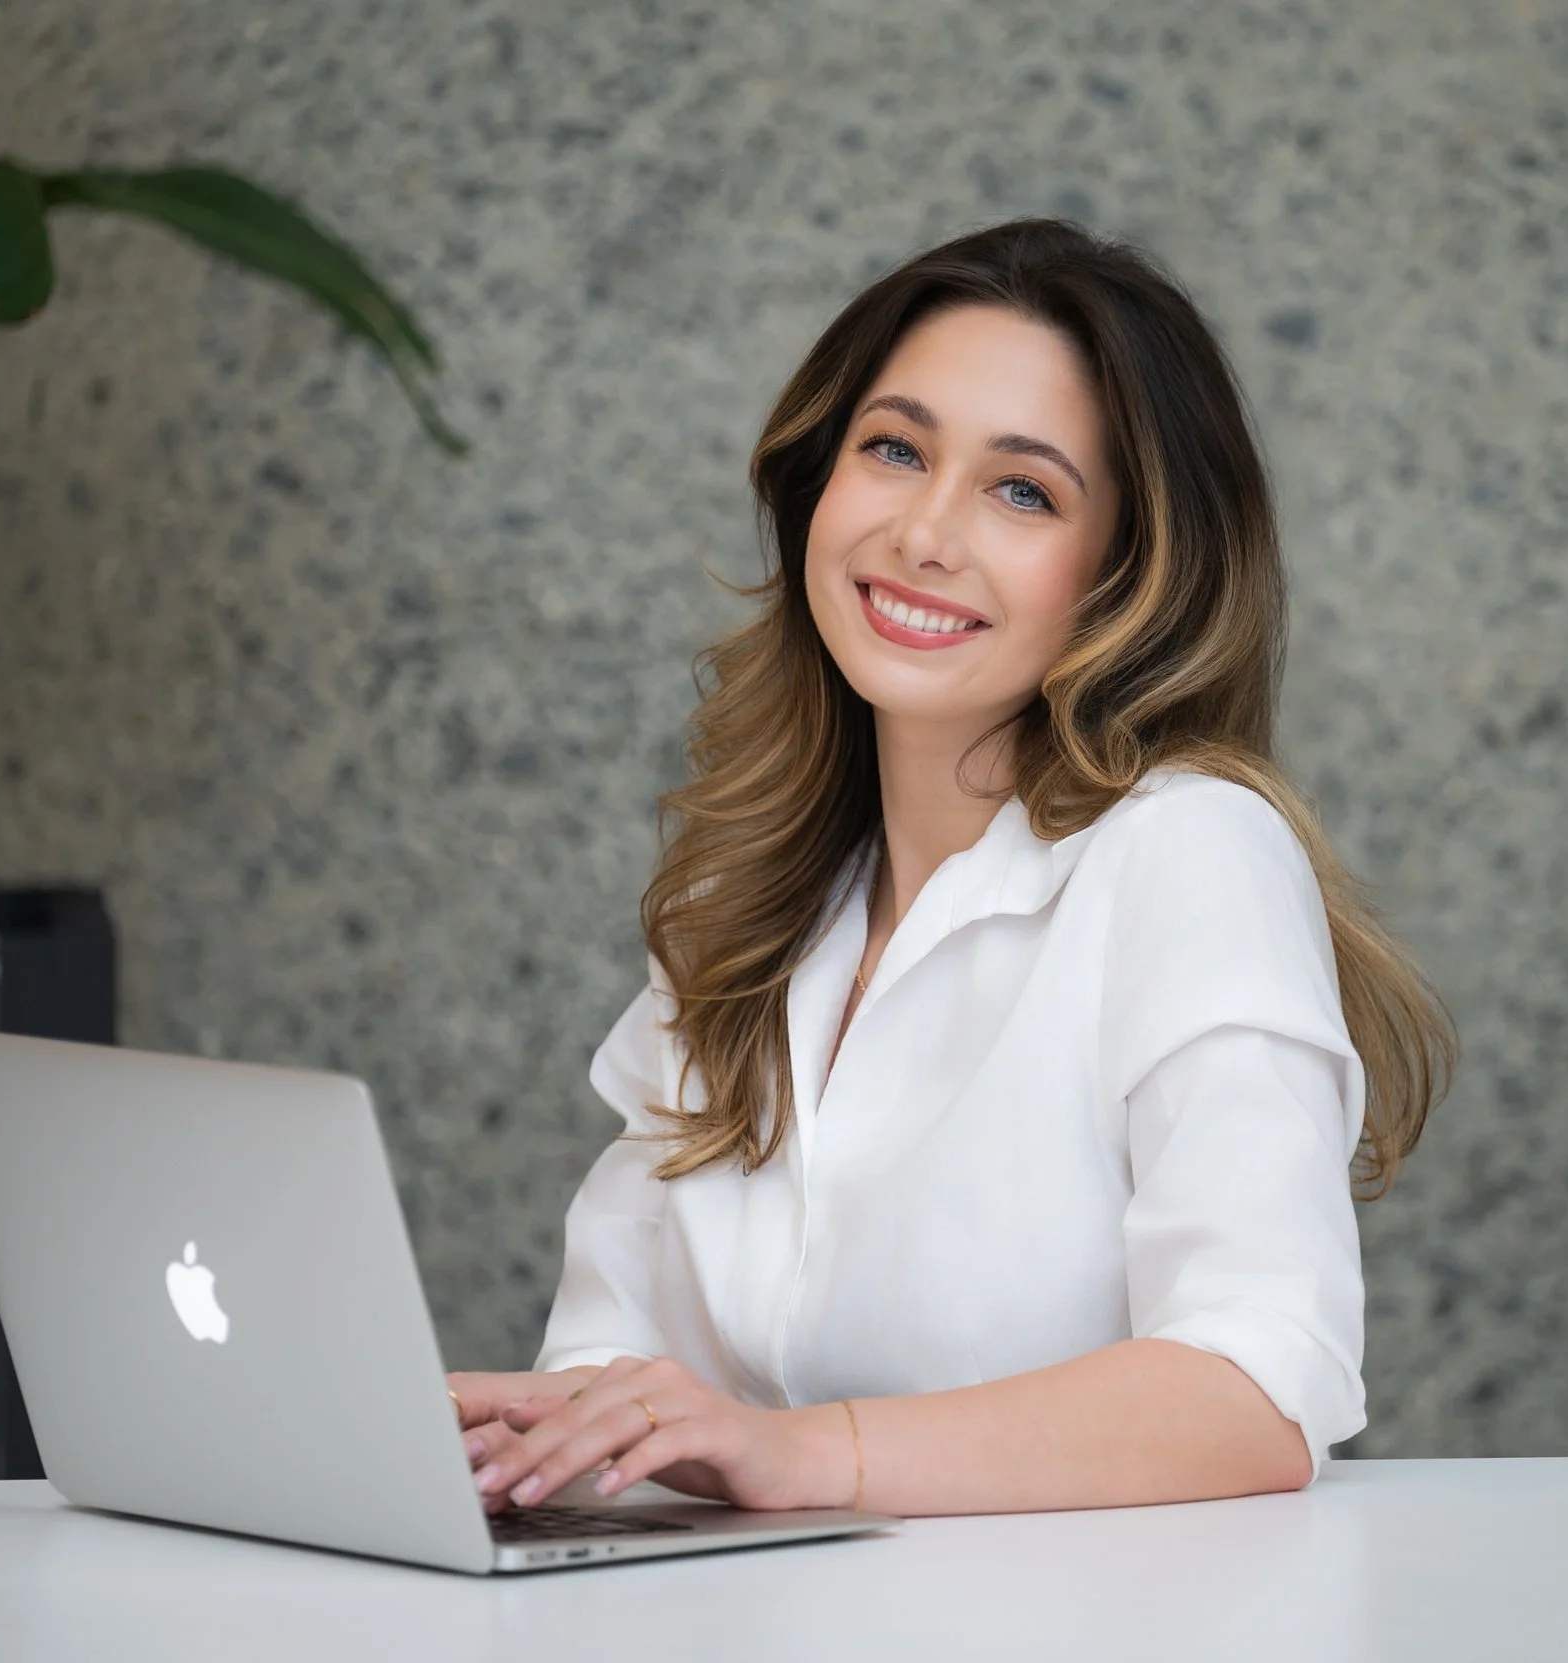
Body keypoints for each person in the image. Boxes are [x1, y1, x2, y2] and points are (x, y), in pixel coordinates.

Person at [448, 219, 1453, 1517]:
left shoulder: (1187, 851)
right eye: (895, 449)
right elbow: (614, 1351)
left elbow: (1260, 1385)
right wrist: (529, 1442)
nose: (925, 530)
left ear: (1126, 575)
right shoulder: (739, 905)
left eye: (1022, 489)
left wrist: (813, 1454)